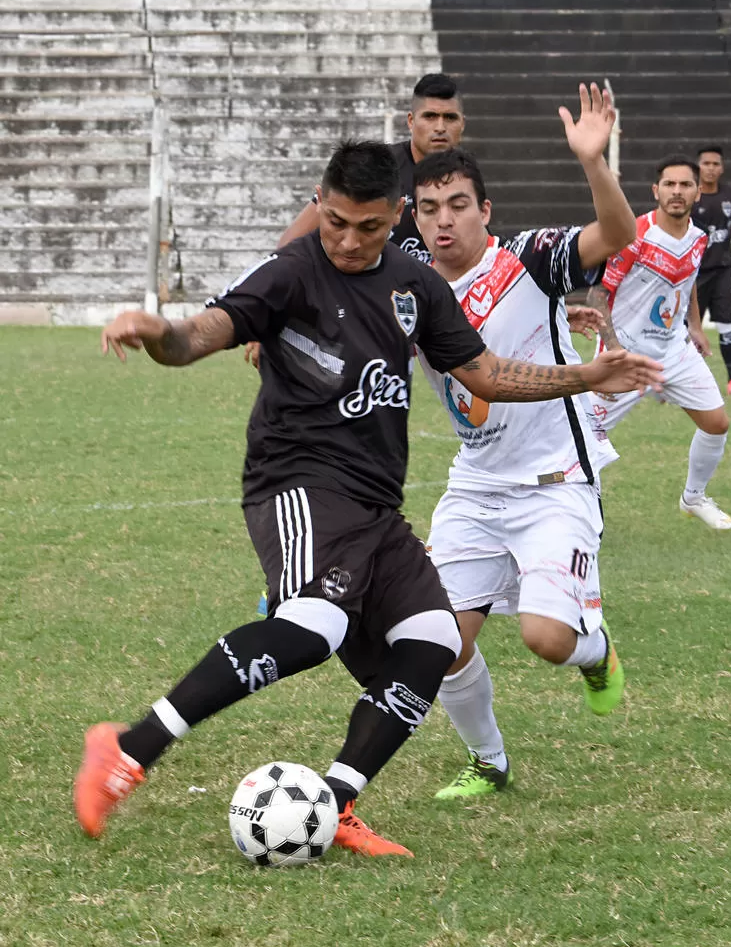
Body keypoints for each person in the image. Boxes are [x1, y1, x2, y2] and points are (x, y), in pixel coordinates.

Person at [74, 140, 663, 858]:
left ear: (396, 218)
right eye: (336, 223)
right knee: (314, 626)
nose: (349, 241)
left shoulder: (417, 286)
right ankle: (128, 749)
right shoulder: (292, 272)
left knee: (435, 642)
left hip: (375, 506)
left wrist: (583, 376)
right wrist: (159, 333)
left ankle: (336, 802)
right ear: (320, 205)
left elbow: (482, 373)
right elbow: (203, 333)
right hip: (296, 483)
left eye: (369, 227)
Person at [411, 83, 634, 799]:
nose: (444, 223)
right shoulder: (407, 285)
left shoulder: (528, 259)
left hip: (555, 479)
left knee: (547, 640)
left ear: (485, 210)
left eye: (458, 206)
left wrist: (595, 163)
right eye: (428, 210)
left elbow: (617, 236)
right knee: (438, 638)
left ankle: (596, 652)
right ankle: (488, 760)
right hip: (477, 483)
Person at [591, 155, 731, 531]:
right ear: (656, 191)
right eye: (669, 185)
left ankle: (693, 497)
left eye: (684, 185)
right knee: (586, 437)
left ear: (697, 191)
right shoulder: (633, 234)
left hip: (674, 349)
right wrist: (612, 349)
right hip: (624, 352)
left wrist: (694, 326)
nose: (676, 191)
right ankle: (584, 512)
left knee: (716, 423)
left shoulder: (699, 238)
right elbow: (598, 295)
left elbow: (685, 285)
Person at [277, 72, 465, 261]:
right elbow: (289, 246)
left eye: (450, 118)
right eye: (430, 116)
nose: (440, 127)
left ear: (462, 123)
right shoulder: (376, 165)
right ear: (411, 121)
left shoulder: (466, 176)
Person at [692, 145, 731, 397]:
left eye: (715, 164)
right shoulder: (690, 195)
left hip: (723, 271)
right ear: (698, 167)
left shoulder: (730, 194)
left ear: (722, 168)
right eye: (706, 163)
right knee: (688, 328)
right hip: (695, 274)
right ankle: (683, 381)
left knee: (725, 322)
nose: (710, 168)